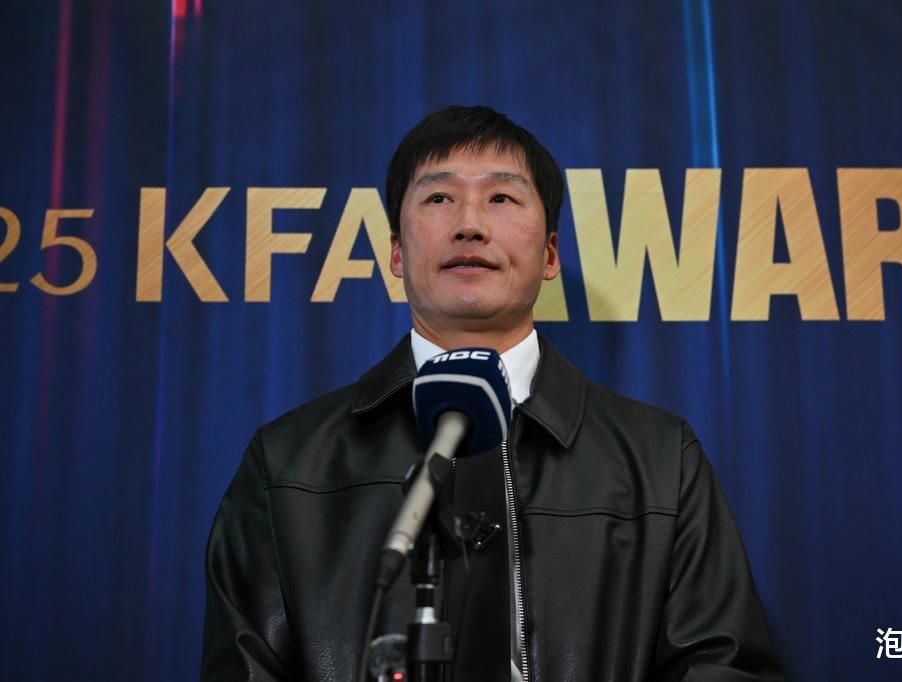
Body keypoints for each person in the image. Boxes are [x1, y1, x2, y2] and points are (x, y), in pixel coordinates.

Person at [202, 105, 783, 680]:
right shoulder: (288, 464)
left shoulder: (659, 462)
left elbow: (724, 668)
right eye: (439, 198)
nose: (469, 225)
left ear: (550, 254)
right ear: (396, 252)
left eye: (501, 198)